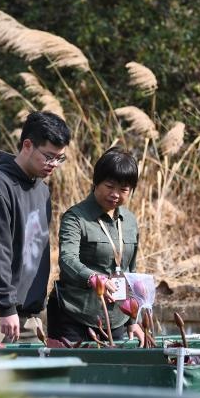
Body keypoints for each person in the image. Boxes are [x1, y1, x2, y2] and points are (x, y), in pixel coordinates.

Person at [0, 111, 72, 344]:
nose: (54, 165)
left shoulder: (41, 191)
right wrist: (6, 306)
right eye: (49, 156)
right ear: (27, 145)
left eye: (60, 159)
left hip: (29, 316)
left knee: (31, 381)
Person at [48, 147, 145, 344]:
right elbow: (67, 259)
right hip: (75, 315)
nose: (116, 194)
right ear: (96, 183)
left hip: (117, 318)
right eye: (110, 186)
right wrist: (93, 278)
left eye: (123, 189)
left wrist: (134, 319)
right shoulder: (75, 217)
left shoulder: (130, 221)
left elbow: (130, 271)